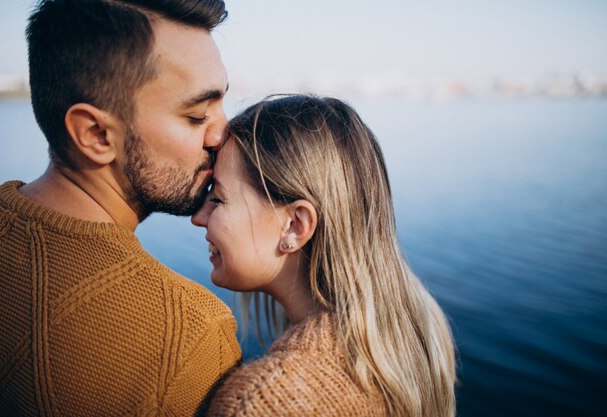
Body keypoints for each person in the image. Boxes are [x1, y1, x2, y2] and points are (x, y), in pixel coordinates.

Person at [0, 1, 241, 415]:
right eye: (197, 115)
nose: (222, 135)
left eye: (221, 105)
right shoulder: (189, 338)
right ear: (95, 134)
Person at [192, 95, 457, 417]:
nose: (199, 217)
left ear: (294, 225)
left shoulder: (264, 403)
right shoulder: (414, 329)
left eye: (218, 199)